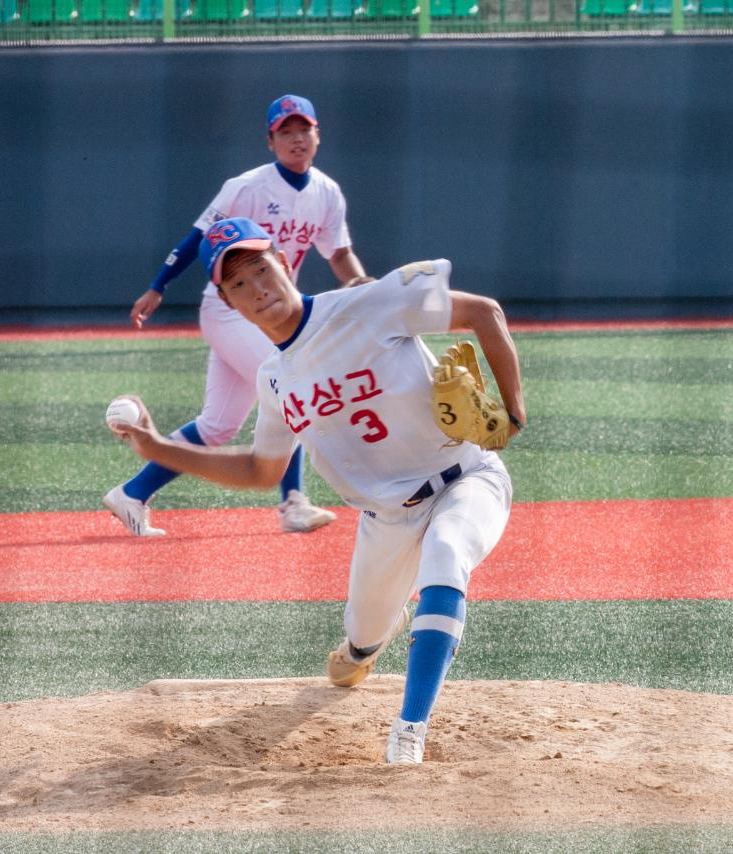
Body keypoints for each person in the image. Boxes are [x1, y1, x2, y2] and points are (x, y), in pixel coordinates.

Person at [111, 218, 527, 765]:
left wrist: (514, 412)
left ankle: (409, 731)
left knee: (448, 552)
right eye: (238, 284)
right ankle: (363, 648)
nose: (257, 287)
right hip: (386, 519)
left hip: (469, 477)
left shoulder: (365, 303)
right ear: (229, 306)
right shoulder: (274, 377)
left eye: (261, 268)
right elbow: (263, 470)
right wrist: (156, 449)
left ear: (284, 264)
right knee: (362, 635)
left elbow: (484, 312)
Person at [104, 93, 376, 538]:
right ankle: (293, 503)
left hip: (270, 310)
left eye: (303, 129)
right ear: (270, 141)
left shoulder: (327, 193)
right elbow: (196, 236)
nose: (296, 139)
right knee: (294, 380)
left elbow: (340, 253)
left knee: (217, 425)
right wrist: (158, 285)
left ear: (317, 135)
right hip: (228, 310)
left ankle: (131, 494)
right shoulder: (247, 186)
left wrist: (361, 287)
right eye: (285, 131)